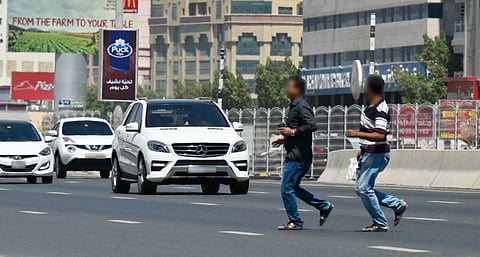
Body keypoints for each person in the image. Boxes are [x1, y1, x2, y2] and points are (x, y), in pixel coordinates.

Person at [346, 75, 408, 232]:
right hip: (369, 153)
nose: (364, 88)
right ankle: (397, 205)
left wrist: (356, 134)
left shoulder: (380, 108)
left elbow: (380, 134)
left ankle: (380, 222)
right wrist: (362, 149)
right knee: (361, 189)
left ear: (370, 88)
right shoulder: (370, 106)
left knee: (364, 188)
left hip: (377, 154)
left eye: (365, 85)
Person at [273, 76, 334, 230]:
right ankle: (324, 206)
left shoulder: (302, 106)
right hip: (294, 153)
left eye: (289, 86)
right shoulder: (294, 106)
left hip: (299, 157)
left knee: (287, 187)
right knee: (293, 187)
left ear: (297, 89)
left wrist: (292, 131)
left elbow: (312, 125)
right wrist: (284, 139)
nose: (287, 88)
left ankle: (295, 221)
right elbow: (299, 132)